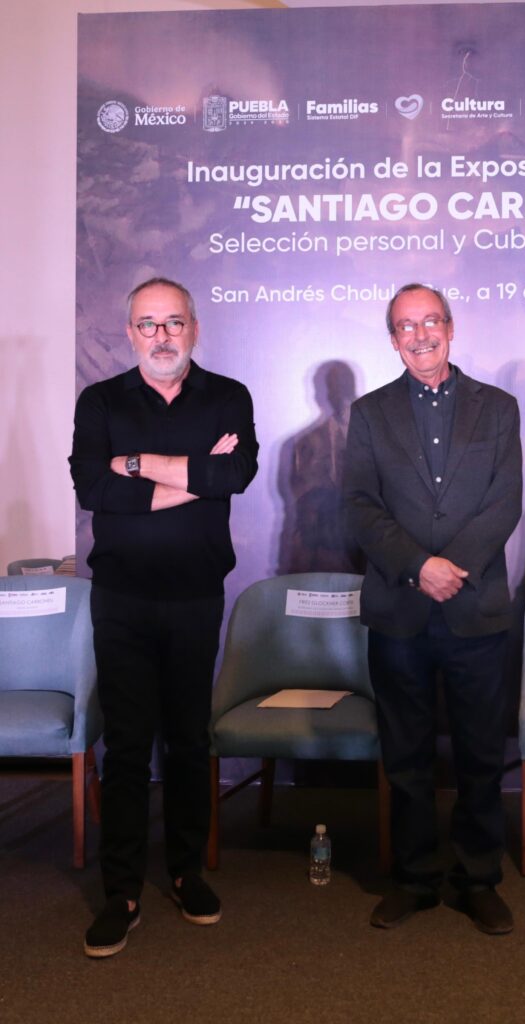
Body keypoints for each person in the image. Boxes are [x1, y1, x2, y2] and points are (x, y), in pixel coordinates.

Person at [70, 277, 258, 957]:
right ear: (130, 333)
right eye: (148, 324)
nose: (161, 336)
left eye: (173, 322)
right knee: (125, 746)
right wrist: (192, 476)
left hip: (195, 596)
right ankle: (121, 891)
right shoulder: (100, 401)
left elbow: (234, 476)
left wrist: (137, 467)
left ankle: (185, 872)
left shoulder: (228, 397)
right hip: (121, 598)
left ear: (194, 328)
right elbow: (94, 488)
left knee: (187, 740)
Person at [343, 283, 522, 934]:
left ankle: (478, 880)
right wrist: (420, 566)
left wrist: (453, 569)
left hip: (476, 608)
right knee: (407, 757)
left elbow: (504, 500)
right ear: (393, 340)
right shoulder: (369, 414)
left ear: (451, 327)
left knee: (480, 755)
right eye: (406, 326)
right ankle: (415, 879)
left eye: (430, 322)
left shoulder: (497, 408)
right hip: (400, 610)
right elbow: (360, 506)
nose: (420, 335)